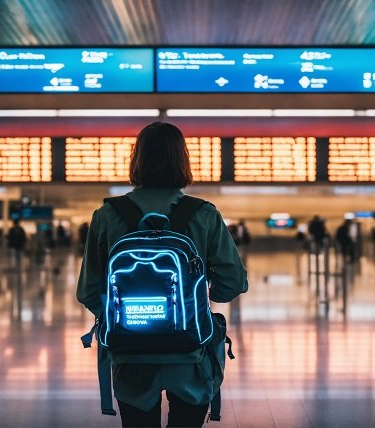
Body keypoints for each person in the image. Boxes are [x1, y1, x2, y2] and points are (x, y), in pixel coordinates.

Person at [76, 122, 248, 428]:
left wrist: (124, 318)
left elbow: (88, 290)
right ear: (182, 160)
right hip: (190, 351)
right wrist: (196, 299)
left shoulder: (107, 215)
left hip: (130, 354)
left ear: (137, 160)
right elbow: (233, 283)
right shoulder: (204, 214)